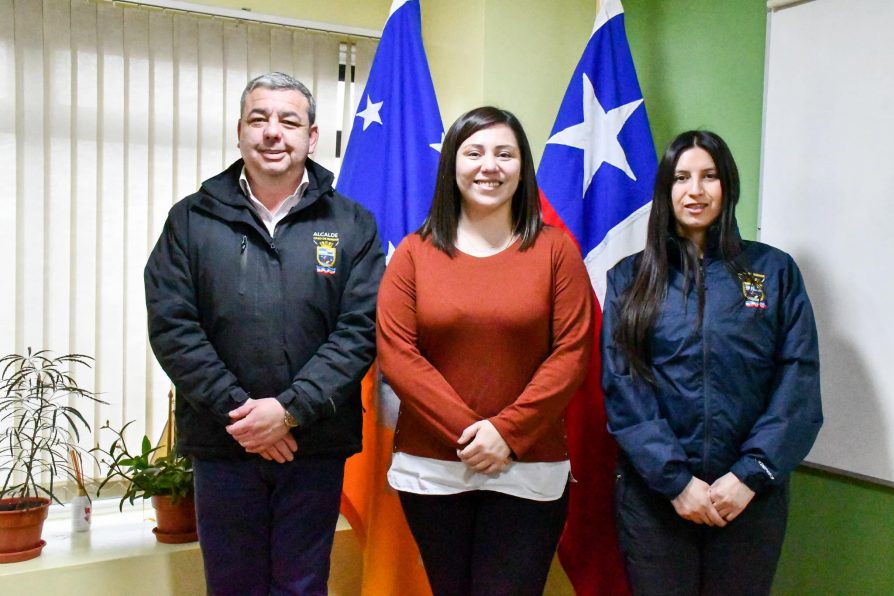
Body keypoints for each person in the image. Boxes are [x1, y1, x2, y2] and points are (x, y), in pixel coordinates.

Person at [144, 72, 384, 595]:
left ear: (312, 137)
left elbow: (360, 329)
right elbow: (173, 326)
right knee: (232, 587)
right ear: (239, 131)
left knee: (302, 586)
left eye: (289, 121)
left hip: (313, 445)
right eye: (260, 119)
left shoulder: (353, 225)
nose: (273, 132)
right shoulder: (189, 221)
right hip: (224, 445)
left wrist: (289, 411)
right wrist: (245, 415)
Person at [376, 106, 594, 596]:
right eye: (474, 152)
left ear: (523, 167)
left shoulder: (557, 252)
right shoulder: (413, 253)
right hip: (434, 467)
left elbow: (572, 353)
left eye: (504, 153)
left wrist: (507, 434)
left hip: (528, 467)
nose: (489, 166)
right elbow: (397, 355)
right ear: (453, 164)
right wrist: (473, 434)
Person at [601, 130, 823, 596]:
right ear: (666, 190)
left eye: (709, 177)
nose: (695, 190)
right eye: (681, 178)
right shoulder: (629, 278)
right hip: (656, 500)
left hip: (748, 502)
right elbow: (624, 388)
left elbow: (797, 383)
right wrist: (677, 482)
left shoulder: (775, 273)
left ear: (729, 186)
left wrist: (748, 476)